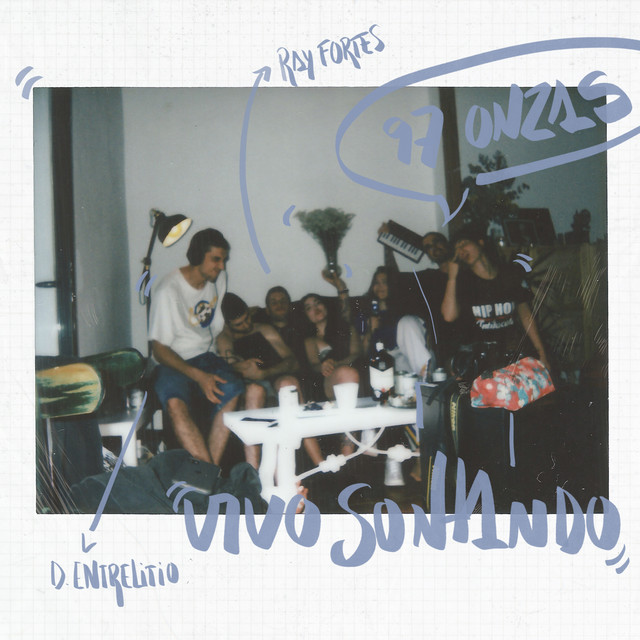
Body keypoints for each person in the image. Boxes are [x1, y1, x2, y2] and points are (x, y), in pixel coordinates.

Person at [149, 228, 244, 467]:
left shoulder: (218, 279)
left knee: (233, 388)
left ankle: (209, 473)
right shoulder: (168, 290)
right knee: (174, 403)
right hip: (174, 361)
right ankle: (209, 475)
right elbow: (159, 349)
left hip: (206, 357)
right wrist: (199, 377)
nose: (221, 266)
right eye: (216, 259)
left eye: (224, 260)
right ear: (197, 256)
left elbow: (219, 329)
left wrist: (230, 357)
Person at [217, 292, 324, 467]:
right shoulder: (224, 339)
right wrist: (241, 366)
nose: (246, 325)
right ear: (228, 324)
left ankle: (320, 463)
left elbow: (292, 361)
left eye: (247, 319)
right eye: (239, 324)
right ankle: (253, 471)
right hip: (248, 386)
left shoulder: (263, 329)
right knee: (255, 391)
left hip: (273, 377)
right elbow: (227, 367)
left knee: (289, 384)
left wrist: (264, 373)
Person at [441, 224, 550, 371]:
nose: (460, 250)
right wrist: (452, 277)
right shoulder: (463, 282)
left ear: (480, 243)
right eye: (457, 249)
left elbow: (526, 316)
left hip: (510, 354)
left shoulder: (508, 275)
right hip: (479, 359)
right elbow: (449, 316)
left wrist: (542, 354)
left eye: (464, 243)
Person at [379, 223, 458, 366]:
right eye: (428, 247)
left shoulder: (466, 272)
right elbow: (394, 278)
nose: (434, 248)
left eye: (436, 242)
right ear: (428, 255)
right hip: (441, 344)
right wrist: (387, 244)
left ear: (446, 243)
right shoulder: (428, 277)